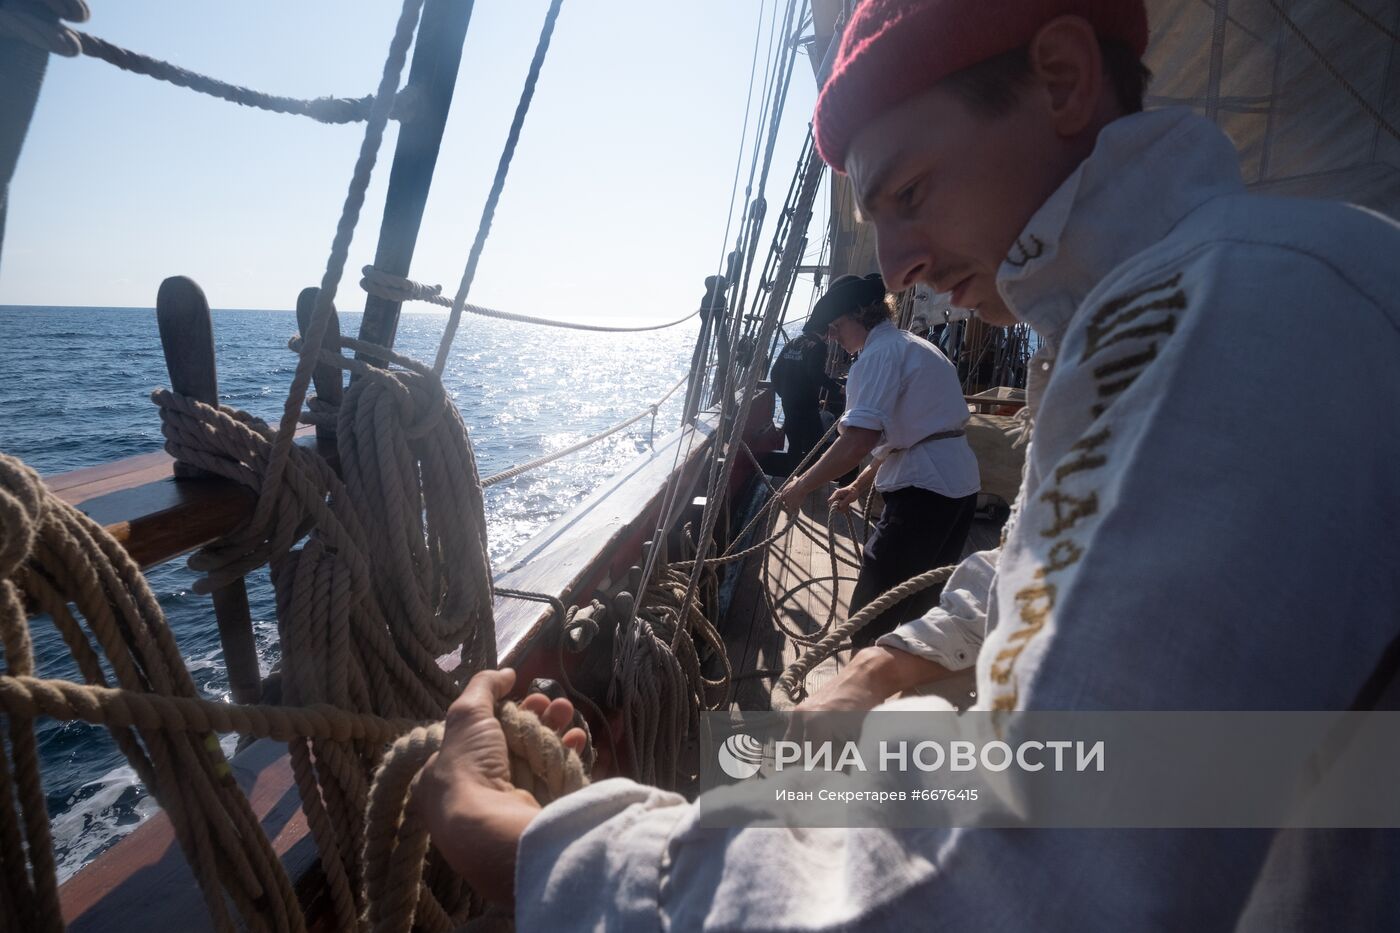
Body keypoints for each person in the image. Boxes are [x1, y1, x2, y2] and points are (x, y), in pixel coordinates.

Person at [417, 1, 1400, 928]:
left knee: (761, 763)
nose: (894, 271)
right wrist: (884, 664)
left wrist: (529, 851)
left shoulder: (1220, 316)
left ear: (1060, 79)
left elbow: (1029, 892)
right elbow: (1047, 568)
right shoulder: (1185, 301)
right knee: (763, 757)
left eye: (909, 192)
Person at [775, 271, 979, 647]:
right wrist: (857, 485)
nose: (832, 337)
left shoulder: (877, 356)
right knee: (921, 603)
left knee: (872, 611)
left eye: (835, 326)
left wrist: (801, 487)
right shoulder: (914, 346)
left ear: (860, 314)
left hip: (924, 491)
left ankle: (861, 695)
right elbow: (912, 434)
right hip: (958, 487)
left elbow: (857, 442)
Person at [759, 330, 843, 477]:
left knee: (794, 442)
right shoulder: (819, 346)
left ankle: (792, 478)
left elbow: (774, 372)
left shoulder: (793, 342)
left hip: (789, 402)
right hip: (807, 404)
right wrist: (839, 389)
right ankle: (810, 479)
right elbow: (816, 374)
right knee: (815, 443)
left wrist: (784, 394)